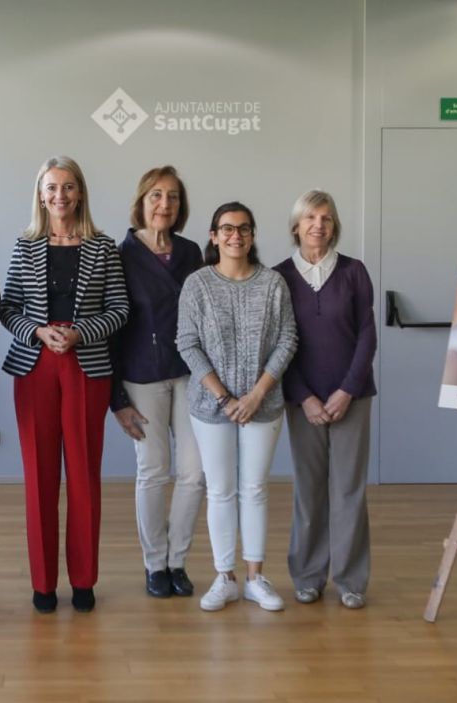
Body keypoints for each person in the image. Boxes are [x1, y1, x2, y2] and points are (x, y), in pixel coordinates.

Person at [0, 155, 129, 614]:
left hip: (86, 366)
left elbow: (119, 310)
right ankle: (42, 583)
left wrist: (79, 334)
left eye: (69, 187)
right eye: (52, 188)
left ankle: (83, 580)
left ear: (81, 193)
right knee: (39, 478)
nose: (60, 196)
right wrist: (37, 331)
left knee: (83, 475)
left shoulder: (104, 246)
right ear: (41, 194)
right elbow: (7, 308)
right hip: (35, 366)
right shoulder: (26, 245)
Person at [176, 201, 297, 612]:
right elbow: (187, 343)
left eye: (244, 229)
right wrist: (225, 397)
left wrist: (257, 394)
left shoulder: (273, 283)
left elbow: (287, 340)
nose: (235, 236)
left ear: (253, 235)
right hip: (212, 407)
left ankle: (256, 578)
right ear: (213, 236)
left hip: (263, 404)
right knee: (221, 491)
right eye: (226, 229)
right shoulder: (197, 284)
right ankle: (224, 576)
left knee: (255, 489)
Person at [272, 190, 376, 610]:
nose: (319, 225)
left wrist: (347, 390)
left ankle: (351, 580)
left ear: (334, 226)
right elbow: (278, 343)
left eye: (327, 218)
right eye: (311, 217)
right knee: (309, 489)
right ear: (296, 225)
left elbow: (367, 335)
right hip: (304, 401)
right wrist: (305, 397)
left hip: (353, 396)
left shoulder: (354, 272)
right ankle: (308, 575)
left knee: (349, 489)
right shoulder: (278, 276)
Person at [110, 165, 204, 599]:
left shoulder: (190, 253)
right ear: (141, 201)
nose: (164, 204)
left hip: (190, 373)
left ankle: (177, 561)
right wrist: (116, 399)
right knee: (153, 471)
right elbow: (110, 327)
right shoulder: (118, 253)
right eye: (156, 196)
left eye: (173, 197)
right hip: (142, 377)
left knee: (193, 473)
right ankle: (154, 565)